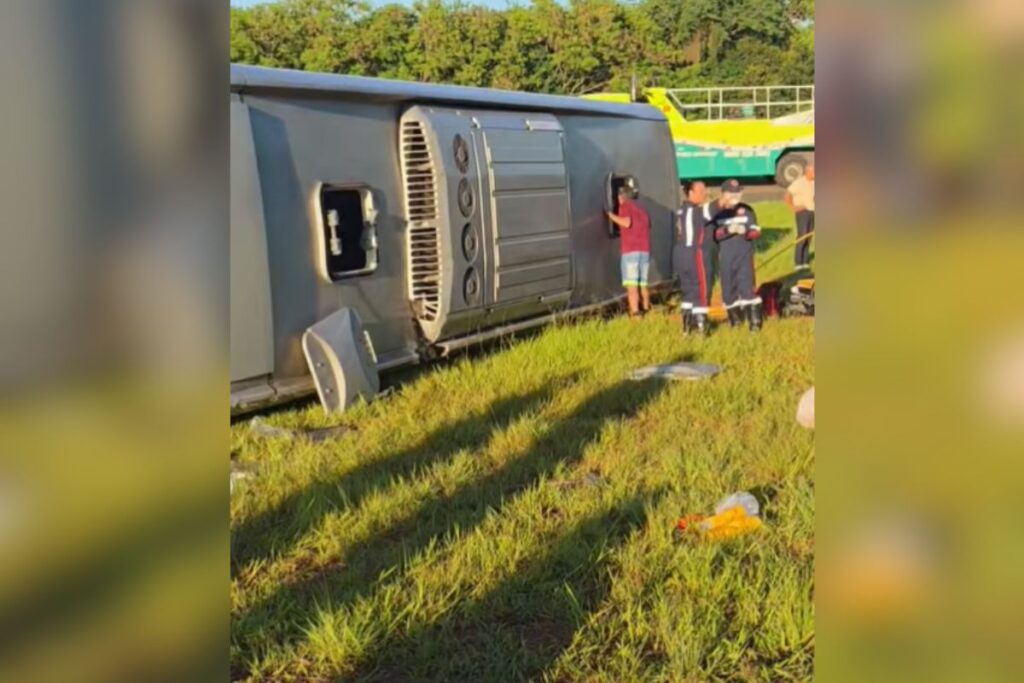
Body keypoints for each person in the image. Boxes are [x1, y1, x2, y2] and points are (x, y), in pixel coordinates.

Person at [711, 179, 763, 331]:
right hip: (725, 257)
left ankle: (755, 323)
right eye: (732, 193)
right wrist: (727, 230)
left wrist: (746, 232)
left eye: (738, 192)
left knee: (747, 288)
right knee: (728, 290)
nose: (736, 196)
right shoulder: (716, 212)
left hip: (744, 255)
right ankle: (735, 322)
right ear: (723, 194)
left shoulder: (747, 210)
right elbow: (713, 236)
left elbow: (756, 231)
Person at [674, 180, 715, 335]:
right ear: (690, 193)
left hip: (680, 253)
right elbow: (717, 206)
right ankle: (701, 329)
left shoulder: (681, 210)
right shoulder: (697, 211)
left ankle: (686, 329)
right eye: (701, 191)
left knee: (687, 291)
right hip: (694, 252)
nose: (705, 194)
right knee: (701, 289)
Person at [607, 181, 652, 318]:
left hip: (631, 251)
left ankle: (635, 313)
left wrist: (610, 215)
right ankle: (646, 310)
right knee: (643, 284)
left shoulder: (625, 207)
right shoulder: (642, 210)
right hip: (644, 251)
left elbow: (626, 222)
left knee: (631, 285)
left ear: (621, 197)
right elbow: (648, 225)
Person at [785, 164, 815, 271]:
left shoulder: (814, 182)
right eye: (813, 172)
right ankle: (798, 263)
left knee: (809, 237)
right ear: (807, 171)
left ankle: (805, 261)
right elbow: (787, 195)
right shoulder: (799, 183)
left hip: (812, 211)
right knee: (802, 236)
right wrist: (793, 207)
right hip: (802, 212)